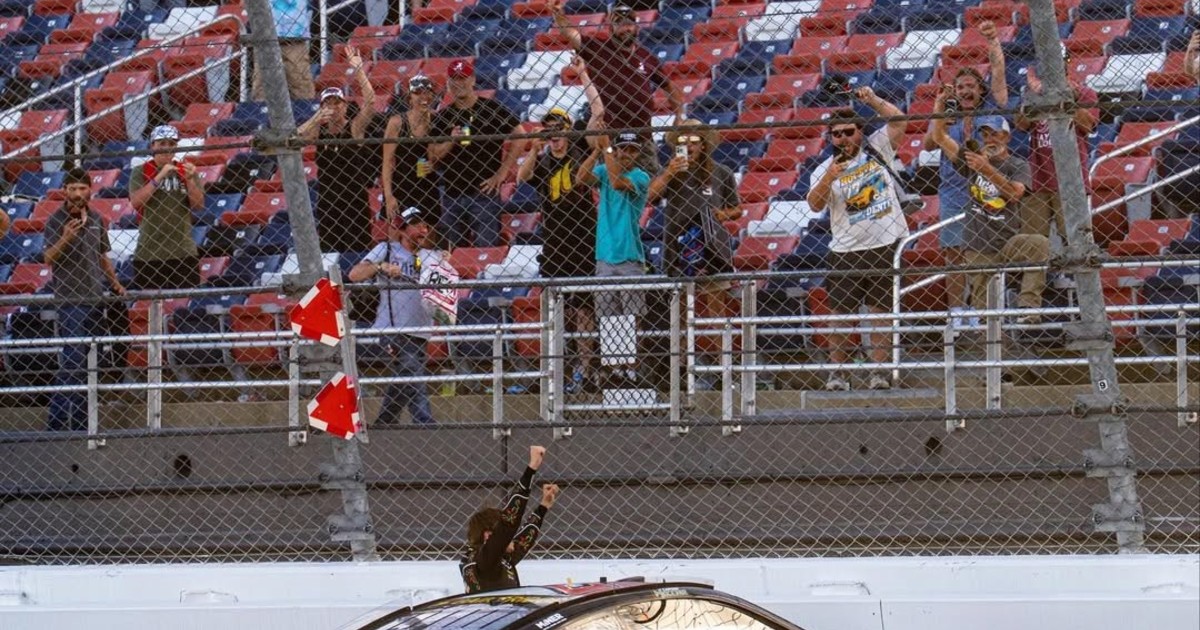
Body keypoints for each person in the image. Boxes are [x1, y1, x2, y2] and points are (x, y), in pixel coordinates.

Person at [806, 89, 909, 392]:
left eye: (849, 132)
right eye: (836, 134)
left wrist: (872, 100)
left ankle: (879, 372)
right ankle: (838, 373)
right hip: (845, 250)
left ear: (859, 132)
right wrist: (830, 177)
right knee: (839, 319)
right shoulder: (824, 169)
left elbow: (899, 121)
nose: (843, 139)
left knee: (880, 316)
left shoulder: (877, 149)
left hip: (883, 245)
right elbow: (814, 204)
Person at [921, 21, 1009, 326]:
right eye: (960, 87)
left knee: (986, 251)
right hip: (954, 190)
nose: (965, 91)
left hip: (988, 186)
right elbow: (929, 143)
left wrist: (992, 40)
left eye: (970, 86)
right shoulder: (948, 115)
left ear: (980, 89)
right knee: (953, 253)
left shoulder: (992, 107)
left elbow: (998, 71)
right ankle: (958, 312)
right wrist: (939, 108)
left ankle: (984, 310)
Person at [930, 106, 1050, 324]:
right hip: (978, 244)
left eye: (995, 134)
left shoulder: (1017, 165)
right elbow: (939, 138)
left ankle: (1028, 306)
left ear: (1007, 137)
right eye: (985, 135)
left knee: (1039, 244)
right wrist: (939, 107)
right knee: (986, 317)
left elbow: (1014, 194)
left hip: (1008, 240)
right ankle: (990, 336)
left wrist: (986, 169)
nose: (990, 139)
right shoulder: (972, 161)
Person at [552, 2, 683, 173]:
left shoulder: (646, 57)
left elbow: (668, 86)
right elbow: (570, 33)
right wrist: (558, 14)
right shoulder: (597, 48)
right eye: (619, 24)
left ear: (636, 27)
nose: (625, 29)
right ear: (611, 27)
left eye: (629, 24)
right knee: (612, 182)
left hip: (642, 136)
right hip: (611, 135)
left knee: (649, 181)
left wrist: (679, 115)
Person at [43, 168, 126, 431]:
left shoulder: (97, 218)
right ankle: (57, 421)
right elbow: (48, 258)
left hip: (95, 297)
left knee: (91, 362)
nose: (78, 194)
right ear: (64, 191)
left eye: (82, 188)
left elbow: (102, 255)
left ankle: (80, 421)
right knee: (74, 359)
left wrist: (114, 282)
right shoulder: (55, 221)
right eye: (72, 188)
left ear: (90, 190)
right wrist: (66, 238)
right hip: (70, 300)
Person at [347, 207, 435, 425]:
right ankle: (424, 420)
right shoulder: (386, 249)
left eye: (426, 226)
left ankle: (386, 420)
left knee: (405, 375)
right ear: (403, 229)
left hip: (421, 328)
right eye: (417, 225)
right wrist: (380, 266)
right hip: (393, 328)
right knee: (411, 368)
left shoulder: (430, 257)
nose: (424, 230)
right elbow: (354, 274)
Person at [576, 131, 651, 385]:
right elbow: (581, 178)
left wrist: (606, 149)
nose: (626, 154)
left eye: (632, 150)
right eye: (623, 149)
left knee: (632, 317)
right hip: (605, 255)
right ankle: (616, 369)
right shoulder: (604, 170)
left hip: (629, 255)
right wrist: (597, 151)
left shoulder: (640, 177)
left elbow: (618, 182)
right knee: (609, 317)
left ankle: (631, 369)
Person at [429, 59, 523, 248]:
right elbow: (432, 155)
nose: (459, 83)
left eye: (463, 78)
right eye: (454, 79)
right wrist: (451, 141)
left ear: (472, 79)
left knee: (485, 250)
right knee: (452, 253)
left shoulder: (491, 108)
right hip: (452, 193)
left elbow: (520, 135)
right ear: (448, 83)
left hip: (484, 193)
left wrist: (502, 173)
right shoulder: (443, 116)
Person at [1012, 48, 1098, 245]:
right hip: (1038, 177)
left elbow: (1087, 125)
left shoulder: (1084, 92)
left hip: (1071, 177)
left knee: (1076, 240)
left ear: (1065, 63)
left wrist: (1066, 98)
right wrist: (1034, 97)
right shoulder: (1034, 93)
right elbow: (1021, 124)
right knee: (1033, 241)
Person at [298, 46, 377, 255]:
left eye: (337, 103)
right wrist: (316, 119)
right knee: (329, 253)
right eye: (328, 103)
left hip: (354, 200)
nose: (333, 107)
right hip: (328, 202)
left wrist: (358, 70)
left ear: (345, 106)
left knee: (356, 252)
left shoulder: (354, 128)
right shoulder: (319, 131)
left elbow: (370, 102)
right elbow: (296, 138)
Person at [461, 445, 561, 593]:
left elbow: (523, 541)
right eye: (507, 536)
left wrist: (543, 506)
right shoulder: (486, 561)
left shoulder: (489, 560)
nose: (512, 538)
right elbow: (509, 522)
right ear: (489, 536)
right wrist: (532, 468)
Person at [128, 124, 203, 291]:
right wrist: (159, 176)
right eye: (162, 143)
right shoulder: (141, 171)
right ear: (152, 146)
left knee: (185, 300)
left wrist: (190, 180)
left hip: (183, 252)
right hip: (149, 252)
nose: (167, 148)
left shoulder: (186, 170)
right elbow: (136, 202)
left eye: (171, 143)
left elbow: (198, 205)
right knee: (149, 302)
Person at [381, 74, 441, 225]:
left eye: (427, 92)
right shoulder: (397, 122)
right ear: (409, 97)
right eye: (417, 93)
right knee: (398, 233)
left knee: (428, 234)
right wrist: (388, 196)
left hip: (427, 187)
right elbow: (387, 162)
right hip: (402, 186)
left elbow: (442, 156)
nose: (423, 97)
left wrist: (434, 165)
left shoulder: (437, 121)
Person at [252, 0, 316, 100]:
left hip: (295, 34)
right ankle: (262, 109)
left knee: (299, 81)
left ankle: (305, 108)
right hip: (265, 33)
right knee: (262, 84)